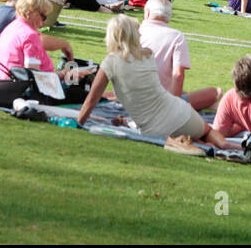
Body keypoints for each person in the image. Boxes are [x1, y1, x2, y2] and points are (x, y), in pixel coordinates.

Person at [76, 15, 233, 149]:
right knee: (205, 132)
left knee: (196, 138)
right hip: (180, 114)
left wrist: (79, 124)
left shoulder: (110, 62)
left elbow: (92, 100)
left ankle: (206, 146)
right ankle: (227, 146)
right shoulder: (147, 55)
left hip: (155, 129)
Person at [138, 0, 219, 111]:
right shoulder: (176, 37)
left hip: (133, 95)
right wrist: (172, 106)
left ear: (147, 13)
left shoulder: (136, 31)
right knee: (213, 93)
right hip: (159, 101)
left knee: (186, 93)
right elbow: (178, 75)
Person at [0, 0, 68, 80]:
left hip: (3, 81)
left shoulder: (11, 27)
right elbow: (34, 77)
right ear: (31, 12)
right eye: (44, 17)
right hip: (19, 88)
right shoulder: (30, 35)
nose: (45, 22)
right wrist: (62, 75)